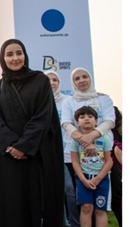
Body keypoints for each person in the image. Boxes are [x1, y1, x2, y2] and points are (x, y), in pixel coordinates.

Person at [0, 38, 64, 227]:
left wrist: (23, 146)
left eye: (18, 53)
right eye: (9, 54)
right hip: (7, 156)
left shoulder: (40, 80)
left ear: (25, 55)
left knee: (36, 205)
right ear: (2, 58)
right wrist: (12, 146)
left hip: (36, 155)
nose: (15, 58)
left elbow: (42, 117)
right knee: (10, 206)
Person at [44, 70, 79, 227]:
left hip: (69, 151)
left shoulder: (68, 100)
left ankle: (75, 222)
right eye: (48, 80)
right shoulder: (41, 100)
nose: (52, 83)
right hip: (48, 152)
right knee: (57, 191)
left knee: (70, 191)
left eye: (55, 80)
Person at [69, 106, 113, 227]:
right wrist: (83, 180)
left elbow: (109, 161)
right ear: (77, 122)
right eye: (82, 117)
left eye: (90, 116)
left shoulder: (105, 139)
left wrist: (98, 178)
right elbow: (75, 161)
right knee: (86, 207)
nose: (86, 119)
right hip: (83, 179)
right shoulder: (75, 141)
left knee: (100, 209)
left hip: (101, 179)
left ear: (96, 121)